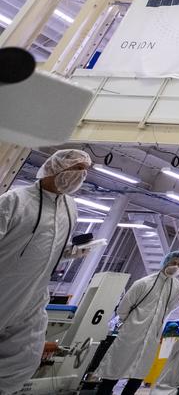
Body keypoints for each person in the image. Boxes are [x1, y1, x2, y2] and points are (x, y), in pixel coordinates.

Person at [0, 149, 92, 394]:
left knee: (24, 359)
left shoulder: (70, 208)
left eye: (85, 171)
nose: (80, 176)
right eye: (76, 169)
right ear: (55, 169)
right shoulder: (15, 201)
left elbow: (47, 247)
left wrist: (71, 252)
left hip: (34, 298)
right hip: (4, 289)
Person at [96, 250, 179, 395]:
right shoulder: (144, 283)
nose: (176, 266)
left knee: (139, 372)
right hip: (131, 332)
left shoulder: (176, 286)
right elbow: (123, 308)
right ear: (166, 262)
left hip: (152, 336)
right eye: (174, 263)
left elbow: (168, 308)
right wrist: (130, 324)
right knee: (115, 369)